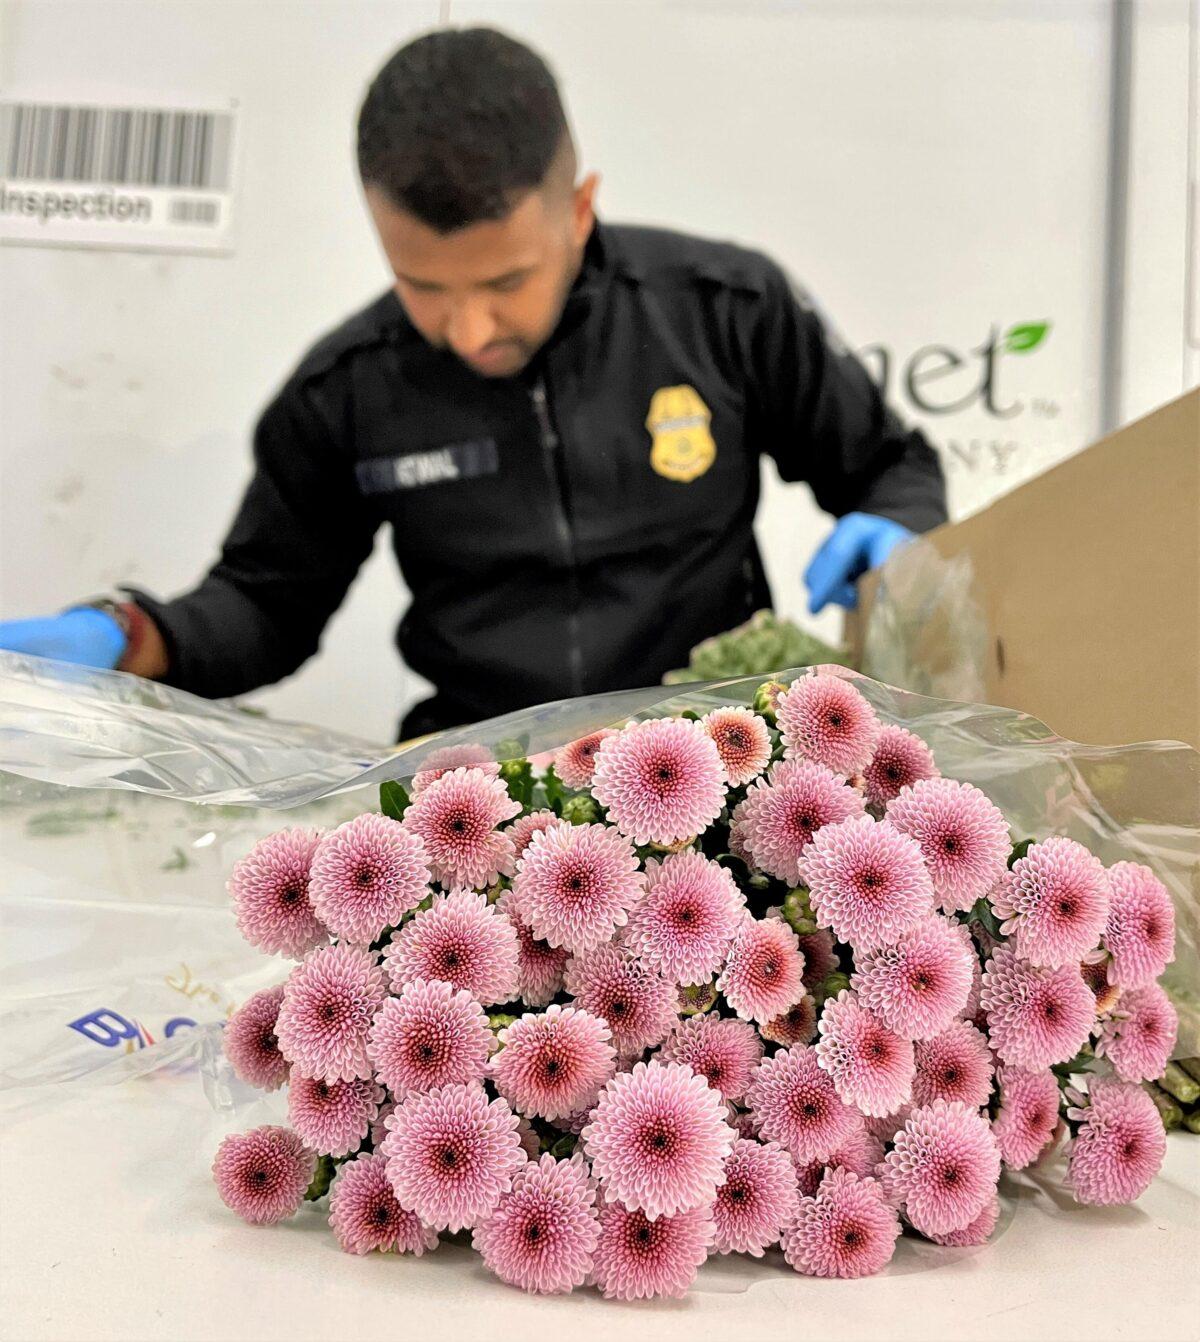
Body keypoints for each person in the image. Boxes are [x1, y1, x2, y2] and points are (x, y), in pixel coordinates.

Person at [0, 27, 946, 740]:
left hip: (718, 760)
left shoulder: (724, 307)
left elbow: (889, 465)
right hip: (473, 795)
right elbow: (266, 605)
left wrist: (898, 529)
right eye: (421, 286)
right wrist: (129, 638)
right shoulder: (347, 388)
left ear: (579, 211)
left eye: (504, 282)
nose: (468, 330)